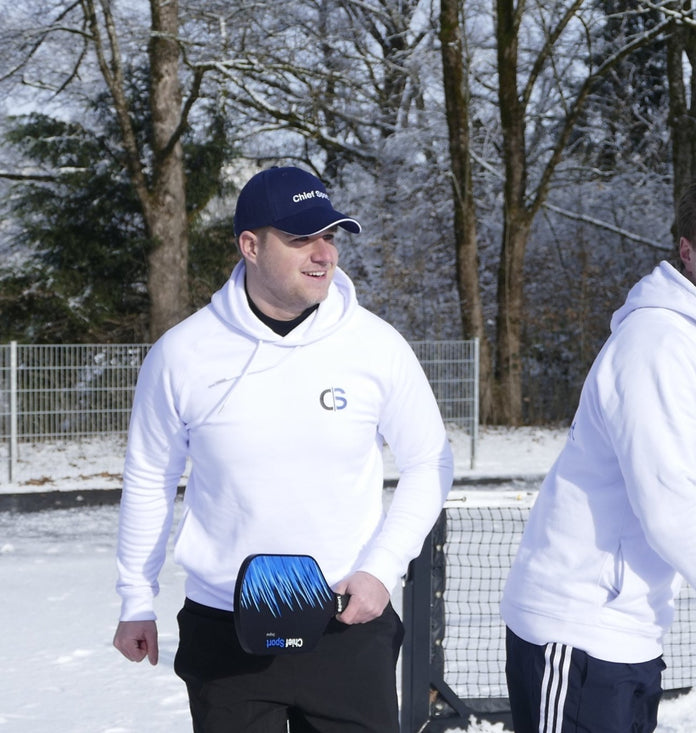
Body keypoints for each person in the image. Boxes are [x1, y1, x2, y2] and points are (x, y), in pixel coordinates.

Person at [112, 165, 454, 732]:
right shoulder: (183, 355)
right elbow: (149, 477)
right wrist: (134, 598)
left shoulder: (376, 346)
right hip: (226, 633)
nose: (323, 253)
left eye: (331, 236)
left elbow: (429, 462)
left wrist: (380, 569)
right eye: (301, 238)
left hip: (347, 624)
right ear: (250, 245)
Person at [500, 172, 696, 733]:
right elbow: (668, 515)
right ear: (688, 251)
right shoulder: (659, 345)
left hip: (625, 635)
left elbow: (685, 497)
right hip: (578, 631)